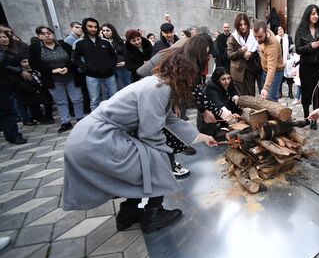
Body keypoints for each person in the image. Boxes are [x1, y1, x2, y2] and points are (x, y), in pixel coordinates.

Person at [62, 46, 218, 233]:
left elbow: (169, 119)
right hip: (97, 140)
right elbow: (150, 135)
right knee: (160, 158)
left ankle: (129, 214)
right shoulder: (159, 88)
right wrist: (166, 156)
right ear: (185, 74)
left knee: (146, 161)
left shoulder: (160, 83)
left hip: (91, 136)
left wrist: (201, 137)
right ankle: (154, 214)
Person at [30, 26, 84, 132]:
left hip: (70, 77)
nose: (47, 35)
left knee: (77, 98)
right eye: (44, 33)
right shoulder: (34, 48)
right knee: (61, 101)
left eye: (49, 33)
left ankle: (80, 119)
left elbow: (73, 58)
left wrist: (67, 67)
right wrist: (52, 70)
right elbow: (34, 64)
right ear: (39, 36)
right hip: (53, 79)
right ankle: (66, 122)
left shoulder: (63, 44)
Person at [294, 5, 319, 130]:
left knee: (317, 93)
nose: (316, 16)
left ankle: (313, 119)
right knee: (306, 93)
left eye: (317, 13)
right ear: (308, 15)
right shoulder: (300, 30)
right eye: (313, 13)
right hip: (305, 67)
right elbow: (298, 49)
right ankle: (306, 117)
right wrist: (311, 46)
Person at [73, 18, 118, 111]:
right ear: (85, 27)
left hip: (109, 75)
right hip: (92, 76)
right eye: (90, 26)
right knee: (94, 100)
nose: (93, 29)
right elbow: (75, 59)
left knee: (114, 98)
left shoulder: (105, 41)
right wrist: (87, 67)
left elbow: (114, 56)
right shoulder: (79, 43)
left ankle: (114, 117)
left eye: (95, 27)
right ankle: (96, 122)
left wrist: (110, 66)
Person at [197, 67, 242, 139]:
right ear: (217, 80)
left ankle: (226, 124)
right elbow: (217, 102)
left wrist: (235, 97)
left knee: (234, 102)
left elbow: (232, 90)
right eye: (223, 79)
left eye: (228, 78)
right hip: (208, 111)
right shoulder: (211, 86)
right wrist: (228, 114)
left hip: (221, 106)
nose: (227, 81)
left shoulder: (229, 81)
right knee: (210, 135)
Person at [0, 30, 27, 145]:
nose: (3, 39)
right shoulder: (2, 53)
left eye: (5, 37)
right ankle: (12, 135)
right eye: (0, 37)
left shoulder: (9, 50)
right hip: (2, 84)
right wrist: (20, 71)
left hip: (7, 84)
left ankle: (11, 134)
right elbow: (4, 66)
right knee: (6, 111)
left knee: (8, 109)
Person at [226, 13, 260, 96]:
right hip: (237, 72)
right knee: (240, 97)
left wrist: (250, 55)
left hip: (250, 70)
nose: (243, 27)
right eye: (240, 25)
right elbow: (230, 55)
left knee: (251, 96)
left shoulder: (253, 35)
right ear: (237, 25)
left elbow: (257, 53)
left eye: (245, 24)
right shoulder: (233, 37)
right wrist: (241, 51)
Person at [14, 57, 54, 125]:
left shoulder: (36, 70)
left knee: (48, 102)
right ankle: (39, 118)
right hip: (31, 91)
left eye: (28, 61)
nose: (27, 63)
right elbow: (21, 84)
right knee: (33, 105)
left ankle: (48, 117)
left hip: (42, 89)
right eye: (24, 62)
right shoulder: (21, 74)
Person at [252, 21, 284, 102]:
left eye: (260, 37)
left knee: (271, 100)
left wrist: (266, 87)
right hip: (264, 70)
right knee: (265, 99)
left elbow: (272, 68)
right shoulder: (262, 30)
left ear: (266, 32)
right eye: (255, 36)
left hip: (275, 72)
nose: (257, 39)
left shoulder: (272, 45)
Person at [101, 23, 131, 89]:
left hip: (121, 66)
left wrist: (125, 62)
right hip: (109, 68)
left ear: (112, 30)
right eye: (103, 31)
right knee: (109, 88)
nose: (105, 32)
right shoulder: (101, 42)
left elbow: (128, 54)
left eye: (107, 30)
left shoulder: (120, 41)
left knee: (127, 85)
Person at [275, 26, 294, 99]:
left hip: (287, 60)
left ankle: (290, 92)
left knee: (289, 77)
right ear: (276, 31)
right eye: (278, 29)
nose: (280, 30)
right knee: (280, 77)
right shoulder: (275, 38)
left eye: (281, 29)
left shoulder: (288, 37)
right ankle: (280, 92)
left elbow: (292, 47)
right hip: (278, 61)